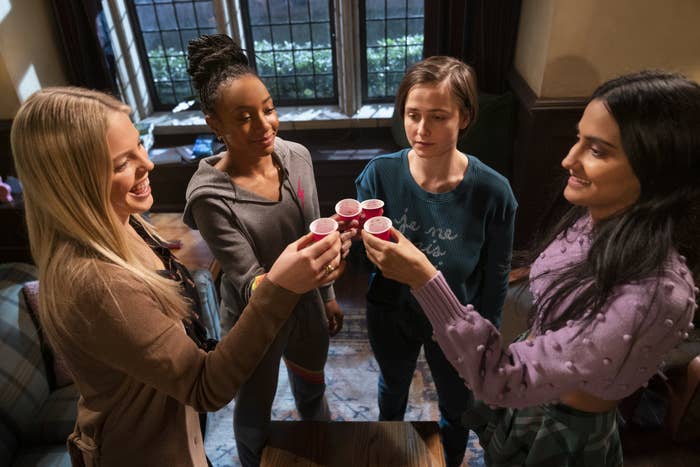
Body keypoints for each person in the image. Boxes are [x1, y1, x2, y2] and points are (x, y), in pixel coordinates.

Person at [361, 70, 699, 465]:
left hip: (556, 426)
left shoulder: (655, 295)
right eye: (577, 138)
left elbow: (500, 372)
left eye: (597, 149)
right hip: (518, 382)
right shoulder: (591, 219)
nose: (567, 159)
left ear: (659, 167)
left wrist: (425, 277)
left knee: (457, 405)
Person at [10, 86, 345, 466]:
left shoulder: (128, 222)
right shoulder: (99, 285)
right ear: (71, 183)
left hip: (178, 435)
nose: (147, 164)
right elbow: (205, 387)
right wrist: (281, 285)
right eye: (122, 164)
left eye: (139, 145)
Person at [182, 34, 354, 466]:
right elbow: (250, 280)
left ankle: (321, 451)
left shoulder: (296, 157)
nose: (264, 126)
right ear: (213, 124)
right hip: (254, 320)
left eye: (268, 109)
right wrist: (308, 275)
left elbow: (317, 231)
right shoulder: (209, 197)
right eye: (243, 118)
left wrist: (328, 292)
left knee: (312, 390)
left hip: (307, 308)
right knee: (254, 408)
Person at [354, 56, 517, 466]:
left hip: (457, 321)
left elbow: (496, 278)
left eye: (438, 116)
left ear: (465, 117)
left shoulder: (493, 192)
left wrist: (486, 342)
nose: (421, 130)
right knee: (393, 385)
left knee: (457, 404)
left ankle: (453, 458)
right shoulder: (379, 177)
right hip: (391, 313)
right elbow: (363, 260)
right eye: (412, 115)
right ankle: (387, 451)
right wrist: (346, 247)